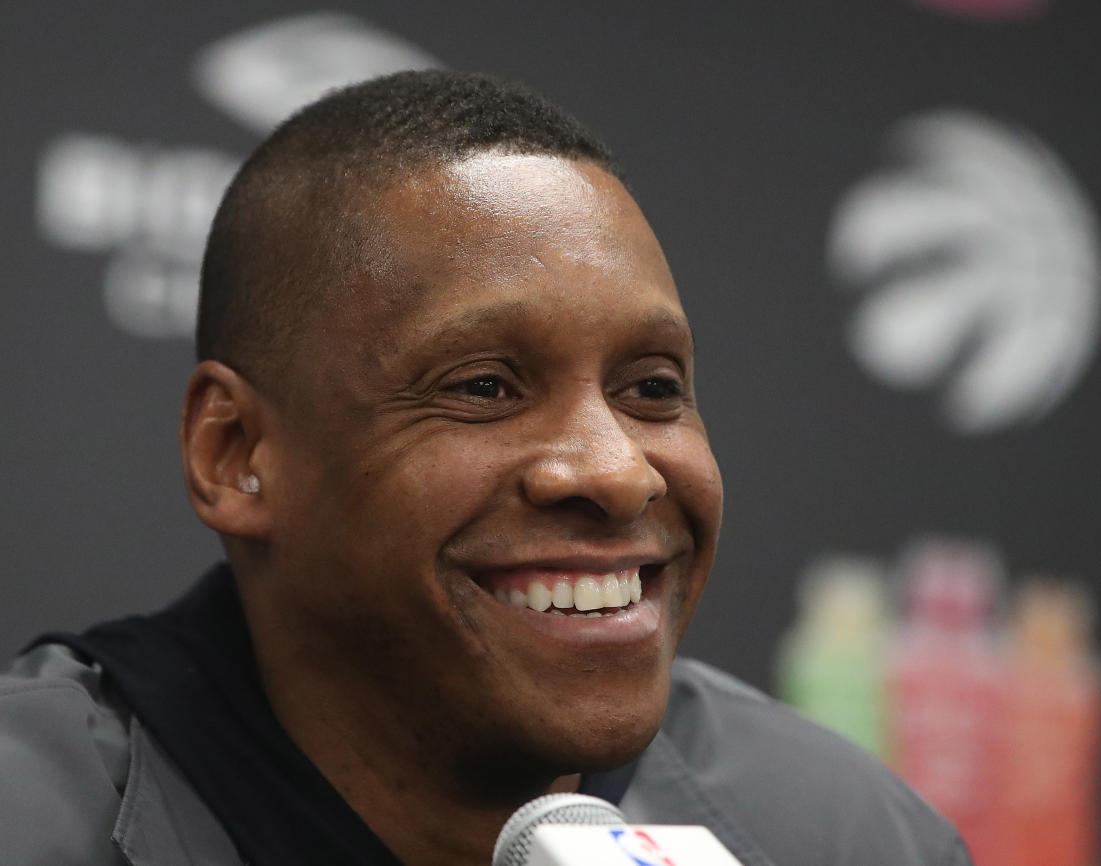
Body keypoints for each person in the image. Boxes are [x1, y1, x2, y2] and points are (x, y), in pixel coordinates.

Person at [0, 70, 971, 866]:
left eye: (652, 387)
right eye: (484, 387)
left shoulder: (848, 834)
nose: (618, 469)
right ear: (237, 453)